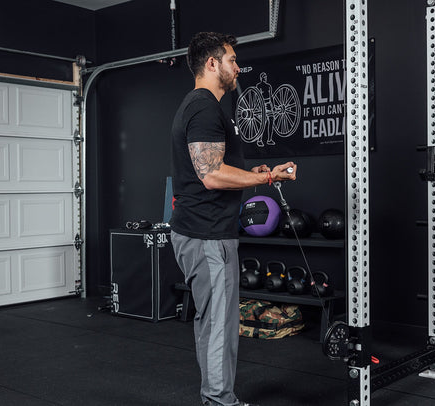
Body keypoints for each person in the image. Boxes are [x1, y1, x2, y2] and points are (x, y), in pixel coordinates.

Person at [169, 32, 296, 406]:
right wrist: (268, 177)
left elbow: (212, 169)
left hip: (200, 231)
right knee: (220, 325)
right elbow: (210, 174)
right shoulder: (204, 107)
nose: (238, 67)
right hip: (207, 236)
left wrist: (253, 172)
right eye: (232, 60)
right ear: (212, 64)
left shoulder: (200, 106)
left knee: (211, 321)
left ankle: (215, 397)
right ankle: (220, 401)